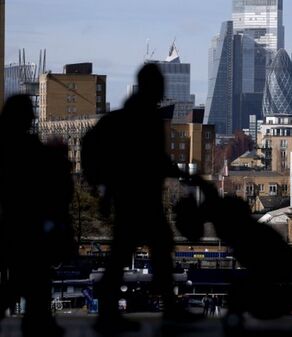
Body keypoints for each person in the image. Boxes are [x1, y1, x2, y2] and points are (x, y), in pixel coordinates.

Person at [81, 63, 197, 334]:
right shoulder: (143, 119)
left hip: (131, 196)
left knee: (134, 249)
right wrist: (183, 173)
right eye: (159, 85)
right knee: (146, 248)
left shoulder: (127, 117)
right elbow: (152, 160)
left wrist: (104, 190)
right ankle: (163, 307)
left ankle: (117, 310)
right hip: (137, 197)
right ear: (152, 86)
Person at [0, 95, 74, 337]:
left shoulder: (10, 146)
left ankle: (39, 320)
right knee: (33, 278)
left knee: (26, 277)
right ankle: (39, 321)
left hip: (12, 225)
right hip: (27, 227)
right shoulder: (28, 148)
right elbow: (56, 183)